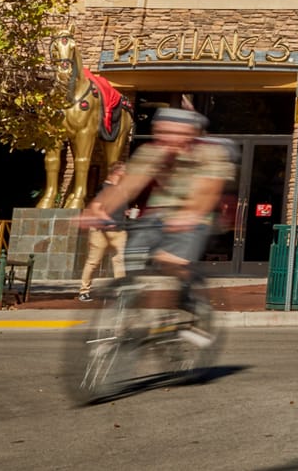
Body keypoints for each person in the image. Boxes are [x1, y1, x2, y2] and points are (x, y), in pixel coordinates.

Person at [81, 107, 233, 347]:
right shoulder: (151, 152)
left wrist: (190, 215)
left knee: (170, 260)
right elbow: (126, 187)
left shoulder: (209, 154)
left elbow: (209, 191)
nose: (166, 138)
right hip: (159, 214)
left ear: (190, 134)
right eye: (161, 131)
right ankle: (133, 314)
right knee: (131, 256)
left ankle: (193, 308)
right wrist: (97, 207)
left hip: (198, 216)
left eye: (174, 132)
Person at [77, 164, 129, 300]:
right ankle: (84, 291)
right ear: (116, 172)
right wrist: (109, 220)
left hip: (119, 231)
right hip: (100, 231)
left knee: (119, 261)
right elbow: (96, 208)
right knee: (93, 262)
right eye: (124, 170)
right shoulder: (105, 188)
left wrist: (126, 213)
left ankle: (121, 291)